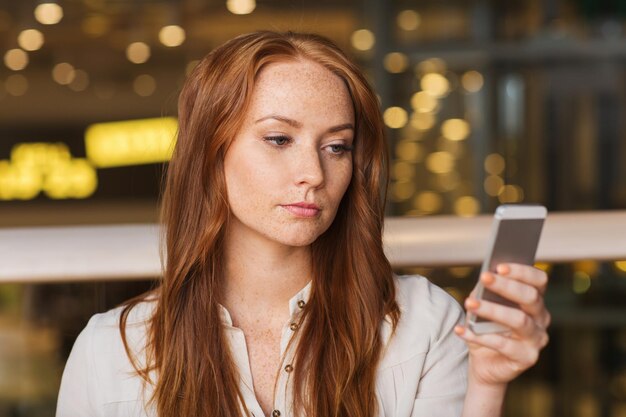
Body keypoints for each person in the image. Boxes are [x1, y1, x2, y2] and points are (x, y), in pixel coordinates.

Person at [56, 31, 550, 417]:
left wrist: (488, 385)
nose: (314, 174)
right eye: (278, 139)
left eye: (336, 146)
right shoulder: (111, 351)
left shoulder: (424, 324)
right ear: (211, 153)